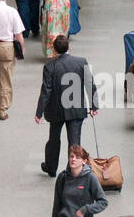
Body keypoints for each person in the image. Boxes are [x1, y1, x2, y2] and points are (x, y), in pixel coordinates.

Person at [35, 33, 98, 177]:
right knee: (74, 141)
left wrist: (39, 112)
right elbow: (90, 84)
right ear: (69, 47)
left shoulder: (50, 66)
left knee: (54, 139)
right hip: (76, 109)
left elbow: (46, 90)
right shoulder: (81, 62)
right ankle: (73, 171)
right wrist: (94, 106)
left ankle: (51, 167)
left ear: (54, 49)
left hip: (56, 109)